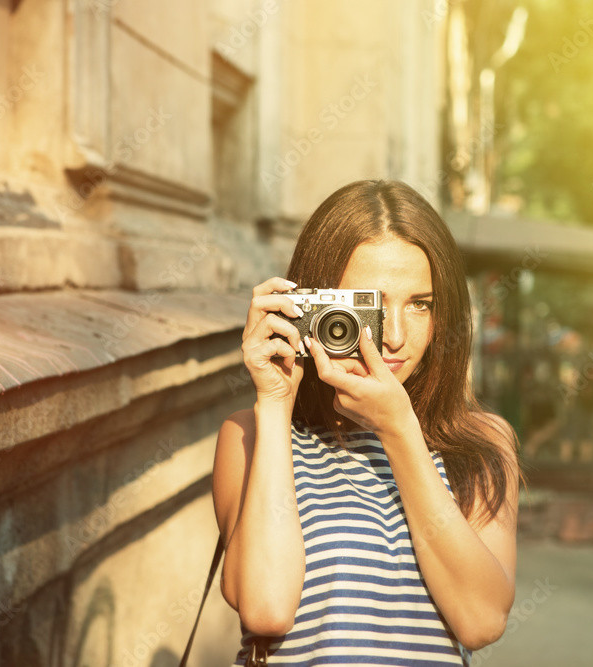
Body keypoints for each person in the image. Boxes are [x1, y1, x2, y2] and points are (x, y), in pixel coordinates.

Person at [213, 180, 523, 665]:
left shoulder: (481, 440)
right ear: (315, 305)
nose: (397, 337)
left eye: (421, 304)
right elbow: (266, 610)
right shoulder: (253, 435)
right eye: (372, 307)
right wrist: (274, 403)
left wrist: (399, 431)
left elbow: (481, 620)